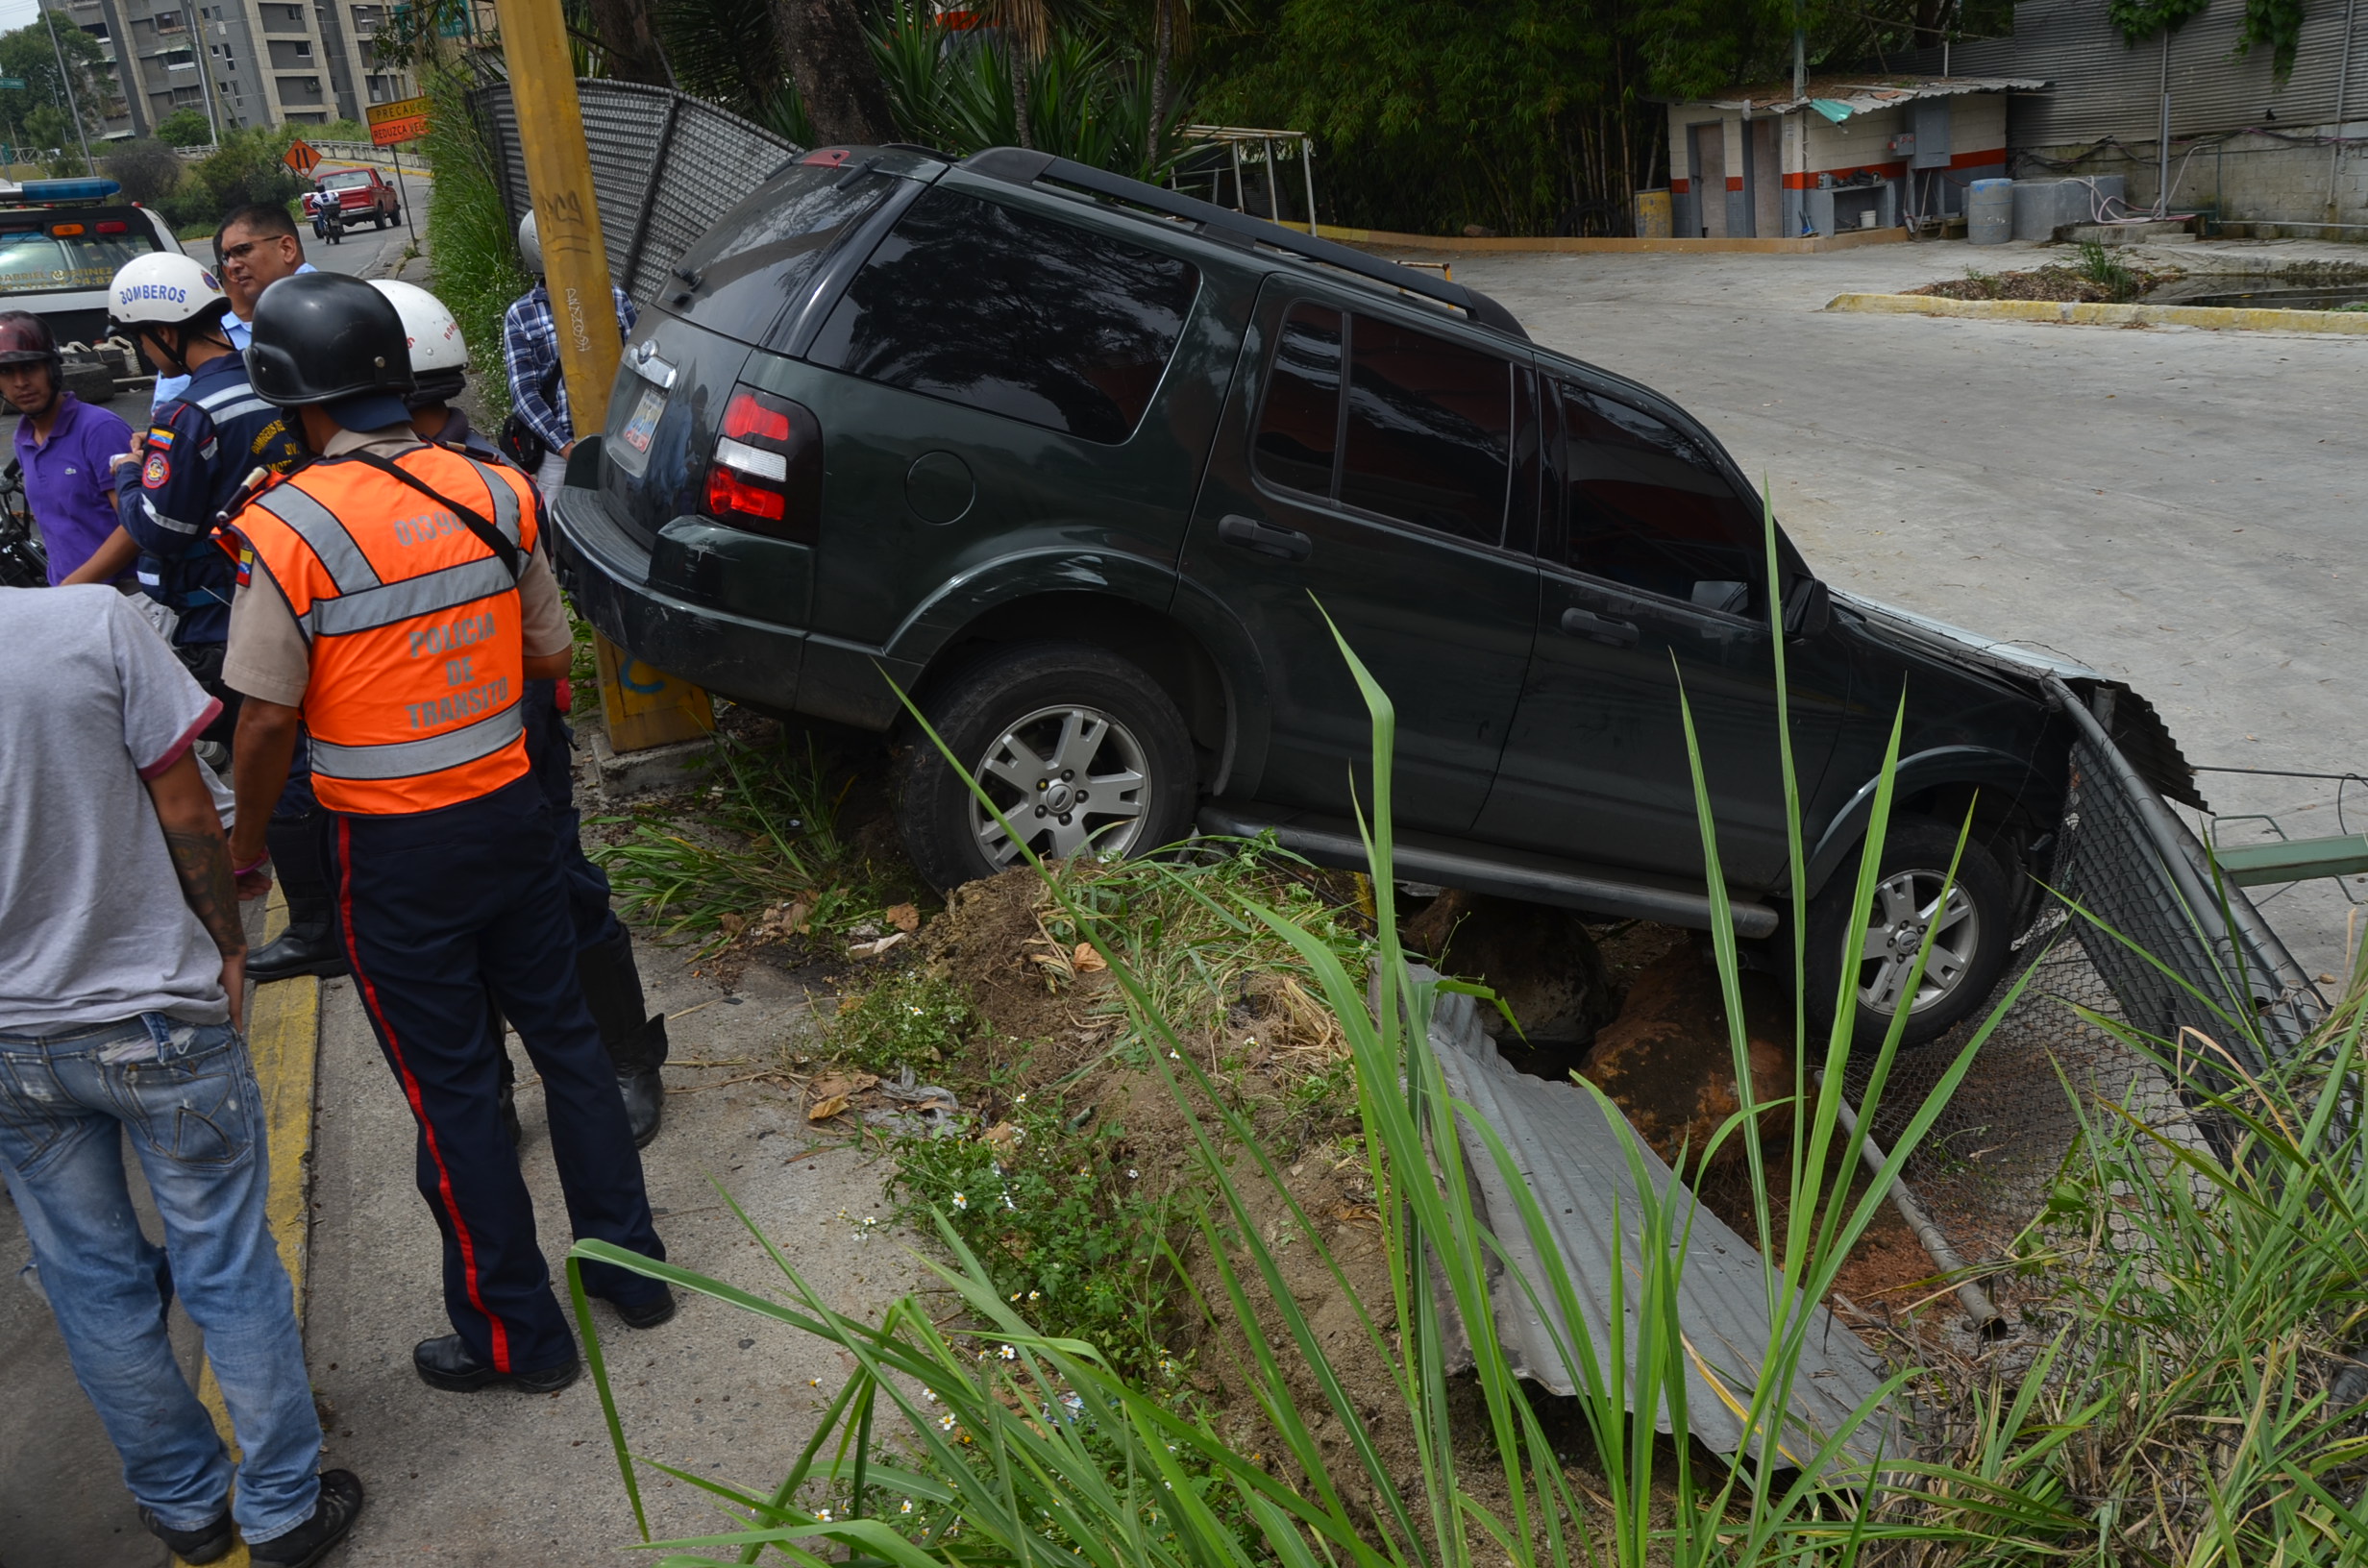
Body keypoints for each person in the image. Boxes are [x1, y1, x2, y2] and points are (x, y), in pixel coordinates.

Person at [222, 273, 673, 1392]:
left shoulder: (284, 528)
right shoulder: (496, 488)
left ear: (285, 391)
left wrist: (242, 845)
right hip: (514, 822)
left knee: (457, 1095)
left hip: (394, 859)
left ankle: (518, 1339)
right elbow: (553, 661)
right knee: (567, 1046)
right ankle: (635, 1275)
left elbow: (268, 718)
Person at [0, 583, 363, 1566]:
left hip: (11, 1051)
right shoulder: (88, 626)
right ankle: (282, 1509)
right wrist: (229, 940)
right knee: (225, 1258)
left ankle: (185, 1506)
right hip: (154, 1016)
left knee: (91, 1283)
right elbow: (184, 805)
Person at [375, 278, 672, 1143]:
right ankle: (492, 1086)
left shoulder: (494, 486)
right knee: (444, 929)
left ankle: (625, 1056)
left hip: (509, 737)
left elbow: (544, 646)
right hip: (407, 753)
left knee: (565, 890)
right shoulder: (339, 494)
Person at [108, 254, 306, 754]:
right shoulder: (274, 383)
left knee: (268, 757)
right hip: (296, 589)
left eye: (141, 341)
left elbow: (159, 530)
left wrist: (129, 473)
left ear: (164, 334)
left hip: (223, 615)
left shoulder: (187, 415)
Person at [502, 209, 635, 498]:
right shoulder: (522, 315)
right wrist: (566, 447)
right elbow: (523, 393)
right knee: (557, 530)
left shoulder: (615, 299)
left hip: (619, 444)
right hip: (559, 453)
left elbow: (637, 369)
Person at [0, 310, 136, 586]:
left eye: (30, 368)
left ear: (53, 369)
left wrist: (70, 589)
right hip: (69, 600)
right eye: (6, 372)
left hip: (124, 598)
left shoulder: (99, 429)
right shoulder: (23, 438)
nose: (20, 383)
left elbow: (135, 528)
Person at [152, 203, 316, 410]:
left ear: (286, 248)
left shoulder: (326, 308)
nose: (233, 265)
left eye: (243, 250)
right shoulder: (206, 332)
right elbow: (171, 413)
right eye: (227, 256)